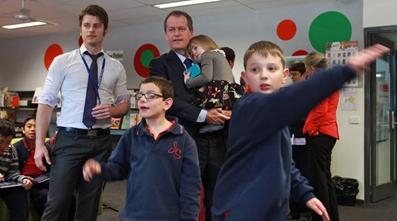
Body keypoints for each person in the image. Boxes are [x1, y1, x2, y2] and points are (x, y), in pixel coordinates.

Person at [211, 41, 389, 221]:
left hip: (270, 211)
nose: (264, 75)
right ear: (245, 77)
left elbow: (284, 162)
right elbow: (295, 97)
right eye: (255, 70)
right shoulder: (248, 107)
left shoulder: (275, 117)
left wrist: (305, 194)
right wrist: (346, 70)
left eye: (272, 69)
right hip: (239, 210)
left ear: (285, 75)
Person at [34, 5, 130, 221]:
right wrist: (39, 144)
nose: (91, 30)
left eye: (96, 26)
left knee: (89, 206)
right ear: (80, 30)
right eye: (86, 25)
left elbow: (124, 104)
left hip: (101, 142)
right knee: (57, 203)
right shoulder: (62, 62)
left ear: (105, 30)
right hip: (69, 140)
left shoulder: (116, 67)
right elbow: (46, 103)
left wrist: (113, 110)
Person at [82, 76, 201, 221]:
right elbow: (118, 169)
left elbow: (191, 188)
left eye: (151, 96)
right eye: (140, 96)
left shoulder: (184, 140)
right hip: (133, 216)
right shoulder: (131, 136)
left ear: (167, 103)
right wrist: (100, 169)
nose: (143, 99)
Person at [149, 10, 230, 220]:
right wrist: (205, 114)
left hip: (217, 139)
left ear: (191, 32)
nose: (176, 34)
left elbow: (224, 86)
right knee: (185, 197)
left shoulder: (205, 59)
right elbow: (165, 99)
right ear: (166, 34)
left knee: (218, 195)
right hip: (183, 140)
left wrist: (227, 108)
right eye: (171, 30)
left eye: (181, 29)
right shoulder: (160, 64)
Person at [303, 52, 340, 221]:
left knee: (318, 180)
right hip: (328, 133)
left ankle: (321, 218)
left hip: (320, 134)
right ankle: (331, 216)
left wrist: (310, 129)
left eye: (306, 69)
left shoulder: (321, 82)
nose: (306, 73)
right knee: (324, 178)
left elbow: (320, 110)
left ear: (311, 67)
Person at [184, 35, 243, 133]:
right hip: (229, 90)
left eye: (195, 48)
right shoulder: (220, 56)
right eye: (190, 52)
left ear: (206, 44)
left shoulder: (206, 55)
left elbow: (206, 77)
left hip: (218, 90)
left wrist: (188, 82)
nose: (193, 52)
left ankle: (215, 123)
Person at [286, 62, 311, 220]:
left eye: (295, 75)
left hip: (304, 136)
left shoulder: (309, 92)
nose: (292, 78)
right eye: (292, 75)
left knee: (304, 172)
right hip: (291, 136)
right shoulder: (290, 91)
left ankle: (306, 208)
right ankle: (294, 209)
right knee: (290, 172)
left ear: (303, 75)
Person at [13, 115, 51, 217]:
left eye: (36, 126)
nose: (33, 129)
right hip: (24, 182)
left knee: (67, 195)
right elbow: (12, 170)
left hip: (42, 181)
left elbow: (51, 168)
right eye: (29, 126)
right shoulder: (16, 148)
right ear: (23, 130)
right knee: (43, 195)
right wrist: (23, 178)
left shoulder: (46, 147)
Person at [0, 119, 33, 221]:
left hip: (3, 186)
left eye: (8, 142)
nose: (4, 146)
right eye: (0, 142)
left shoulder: (11, 150)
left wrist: (22, 179)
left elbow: (12, 172)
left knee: (20, 192)